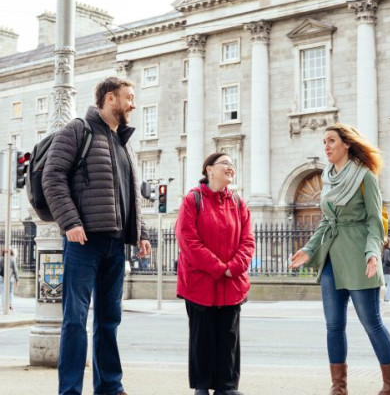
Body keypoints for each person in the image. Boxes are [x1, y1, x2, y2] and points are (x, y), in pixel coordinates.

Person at [42, 77, 151, 395]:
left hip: (116, 244)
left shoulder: (124, 141)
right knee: (75, 320)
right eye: (128, 97)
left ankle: (109, 387)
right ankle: (70, 390)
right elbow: (53, 176)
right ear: (109, 98)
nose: (133, 104)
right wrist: (70, 222)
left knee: (109, 320)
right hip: (83, 241)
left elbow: (131, 194)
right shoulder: (78, 130)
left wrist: (140, 232)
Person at [290, 123, 390, 395]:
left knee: (372, 322)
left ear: (347, 144)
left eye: (331, 140)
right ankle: (338, 388)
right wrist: (308, 249)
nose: (326, 146)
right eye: (324, 142)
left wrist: (372, 254)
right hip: (331, 259)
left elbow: (376, 222)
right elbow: (326, 223)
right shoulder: (328, 178)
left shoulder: (364, 177)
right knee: (333, 325)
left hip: (359, 257)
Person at [175, 152, 255, 395]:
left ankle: (227, 387)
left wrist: (234, 266)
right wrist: (220, 268)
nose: (231, 168)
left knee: (229, 336)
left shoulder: (239, 202)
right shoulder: (193, 200)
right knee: (203, 337)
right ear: (209, 169)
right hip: (200, 283)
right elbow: (188, 240)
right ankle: (202, 386)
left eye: (233, 165)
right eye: (225, 164)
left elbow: (248, 240)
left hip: (232, 283)